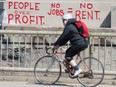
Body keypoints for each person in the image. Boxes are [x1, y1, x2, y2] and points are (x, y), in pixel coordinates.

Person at [52, 13, 89, 78]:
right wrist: (59, 45)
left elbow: (63, 37)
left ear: (66, 20)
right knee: (68, 52)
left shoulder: (69, 27)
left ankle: (77, 69)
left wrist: (55, 45)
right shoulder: (73, 25)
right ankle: (72, 70)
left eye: (63, 20)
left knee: (68, 56)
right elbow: (65, 39)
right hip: (83, 43)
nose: (63, 22)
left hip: (79, 44)